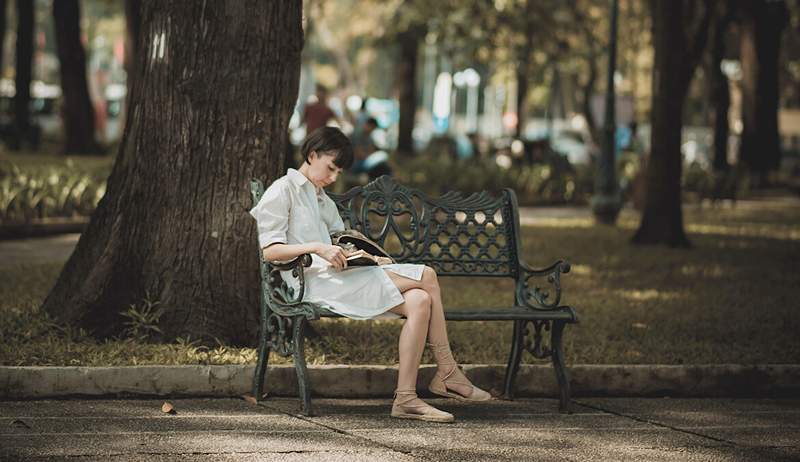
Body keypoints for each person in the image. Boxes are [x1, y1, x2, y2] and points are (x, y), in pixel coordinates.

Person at [249, 127, 491, 423]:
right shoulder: (282, 190)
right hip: (311, 284)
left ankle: (406, 399)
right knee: (426, 276)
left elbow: (340, 239)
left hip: (340, 278)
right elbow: (270, 252)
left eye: (339, 171)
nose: (334, 177)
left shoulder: (321, 198)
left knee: (418, 301)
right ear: (312, 155)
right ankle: (448, 372)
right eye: (331, 168)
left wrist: (363, 255)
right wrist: (318, 248)